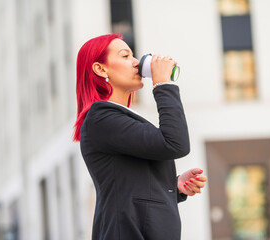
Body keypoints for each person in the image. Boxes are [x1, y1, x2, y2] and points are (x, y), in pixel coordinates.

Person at [73, 34, 207, 240]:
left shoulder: (113, 118)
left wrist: (174, 185)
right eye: (125, 56)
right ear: (100, 69)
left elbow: (129, 184)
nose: (136, 63)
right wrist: (163, 85)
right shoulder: (102, 118)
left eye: (133, 56)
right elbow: (175, 144)